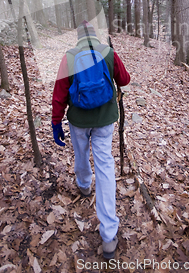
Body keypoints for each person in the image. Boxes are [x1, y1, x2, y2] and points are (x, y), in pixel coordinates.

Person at [51, 21, 130, 259]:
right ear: (96, 35)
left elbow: (60, 92)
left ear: (77, 37)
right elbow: (124, 80)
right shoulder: (108, 53)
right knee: (105, 165)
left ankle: (84, 185)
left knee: (81, 154)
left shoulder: (70, 57)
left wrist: (56, 121)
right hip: (105, 118)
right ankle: (108, 235)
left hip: (78, 120)